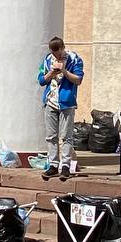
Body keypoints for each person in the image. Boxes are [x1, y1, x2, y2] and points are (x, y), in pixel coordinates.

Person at [37, 36, 85, 181]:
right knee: (51, 136)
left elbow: (78, 79)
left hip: (66, 102)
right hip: (50, 101)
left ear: (63, 48)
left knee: (66, 136)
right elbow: (40, 80)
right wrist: (52, 73)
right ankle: (53, 164)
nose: (56, 56)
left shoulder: (74, 59)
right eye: (53, 54)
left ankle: (65, 165)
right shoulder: (47, 59)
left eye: (58, 54)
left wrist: (63, 71)